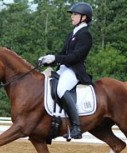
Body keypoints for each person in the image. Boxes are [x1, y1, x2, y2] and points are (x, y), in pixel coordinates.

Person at [39, 2, 93, 139]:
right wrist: (49, 59)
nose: (72, 17)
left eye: (75, 14)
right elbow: (63, 53)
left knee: (61, 89)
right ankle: (53, 122)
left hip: (74, 70)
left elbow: (75, 57)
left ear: (84, 17)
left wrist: (55, 58)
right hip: (64, 68)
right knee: (46, 85)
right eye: (73, 14)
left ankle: (76, 127)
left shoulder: (85, 35)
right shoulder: (72, 33)